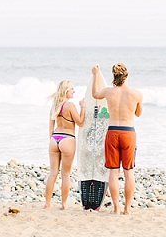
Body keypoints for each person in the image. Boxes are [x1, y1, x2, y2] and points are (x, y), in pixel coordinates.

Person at [92, 63, 143, 215]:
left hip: (113, 132)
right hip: (128, 133)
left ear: (114, 76)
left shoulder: (108, 92)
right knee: (129, 172)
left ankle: (116, 208)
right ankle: (127, 209)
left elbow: (95, 94)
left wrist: (95, 75)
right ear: (126, 75)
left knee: (113, 172)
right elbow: (138, 114)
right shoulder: (136, 94)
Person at [45, 80, 85, 209]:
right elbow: (80, 122)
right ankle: (63, 204)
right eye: (72, 89)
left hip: (54, 139)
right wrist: (83, 107)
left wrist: (52, 139)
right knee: (66, 174)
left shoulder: (55, 106)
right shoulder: (70, 106)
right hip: (68, 138)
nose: (74, 91)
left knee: (52, 173)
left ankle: (47, 203)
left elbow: (50, 128)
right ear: (66, 91)